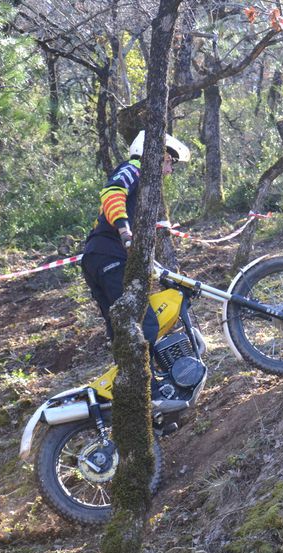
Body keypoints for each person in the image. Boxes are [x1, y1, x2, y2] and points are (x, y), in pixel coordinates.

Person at [81, 130, 190, 406]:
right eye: (169, 161)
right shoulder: (133, 169)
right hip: (109, 255)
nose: (170, 169)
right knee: (142, 321)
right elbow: (112, 193)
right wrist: (124, 231)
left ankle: (136, 395)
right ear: (156, 153)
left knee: (121, 329)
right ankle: (148, 390)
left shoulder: (144, 186)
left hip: (98, 257)